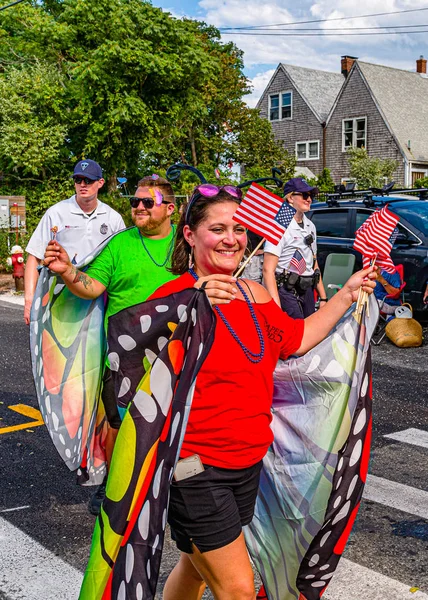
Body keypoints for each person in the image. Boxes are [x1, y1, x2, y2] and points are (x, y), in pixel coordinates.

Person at [144, 183, 376, 600]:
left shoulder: (255, 294)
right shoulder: (172, 298)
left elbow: (298, 337)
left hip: (250, 462)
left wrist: (346, 294)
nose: (231, 239)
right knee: (237, 587)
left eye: (238, 229)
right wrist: (191, 303)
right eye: (217, 229)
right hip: (195, 466)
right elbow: (135, 367)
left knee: (195, 568)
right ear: (189, 234)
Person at [42, 174, 178, 514]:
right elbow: (92, 287)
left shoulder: (186, 242)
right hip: (125, 358)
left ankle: (173, 484)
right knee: (121, 422)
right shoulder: (119, 244)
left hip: (175, 350)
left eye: (148, 202)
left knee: (175, 420)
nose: (139, 207)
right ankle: (114, 483)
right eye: (134, 202)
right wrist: (67, 272)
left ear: (171, 209)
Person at [24, 159, 125, 324]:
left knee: (96, 348)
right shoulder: (56, 213)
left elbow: (121, 264)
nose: (82, 184)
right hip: (60, 298)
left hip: (99, 299)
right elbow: (34, 256)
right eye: (78, 180)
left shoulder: (113, 218)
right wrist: (29, 301)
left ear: (100, 183)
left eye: (88, 180)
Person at [263, 177, 327, 318]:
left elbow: (313, 262)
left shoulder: (311, 226)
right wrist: (276, 307)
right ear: (291, 198)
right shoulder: (279, 226)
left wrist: (323, 297)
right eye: (305, 195)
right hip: (286, 289)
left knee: (311, 329)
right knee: (297, 332)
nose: (309, 199)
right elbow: (268, 270)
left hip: (307, 287)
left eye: (311, 196)